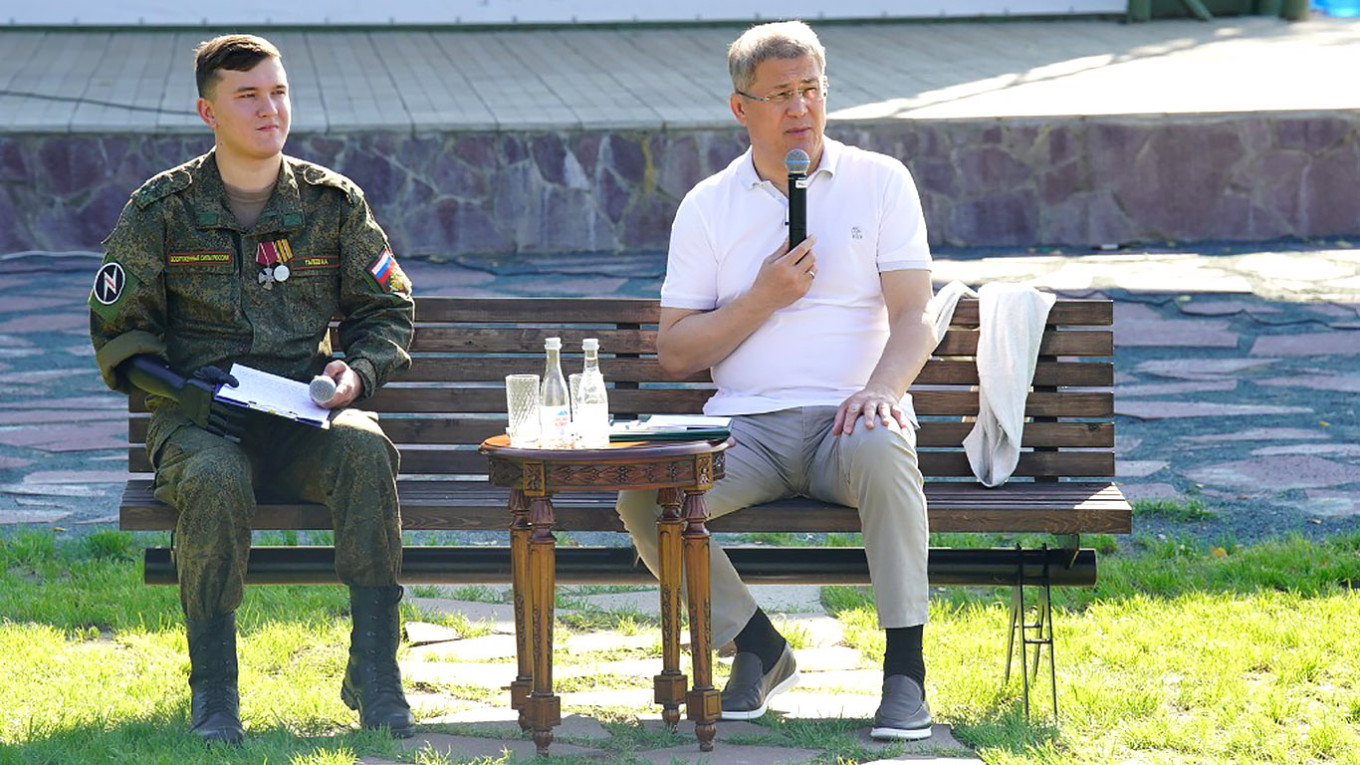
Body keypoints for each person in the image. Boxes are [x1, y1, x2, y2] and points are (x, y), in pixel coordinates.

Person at [88, 34, 416, 744]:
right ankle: (214, 691)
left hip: (303, 416)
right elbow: (118, 332)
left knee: (366, 450)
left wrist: (351, 373)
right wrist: (182, 392)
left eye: (278, 92)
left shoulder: (332, 204)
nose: (270, 109)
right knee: (213, 479)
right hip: (200, 421)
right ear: (209, 112)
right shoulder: (162, 210)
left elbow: (388, 309)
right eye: (248, 96)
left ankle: (377, 672)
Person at [616, 20, 936, 740]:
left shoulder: (880, 182)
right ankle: (757, 643)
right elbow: (674, 351)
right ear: (741, 109)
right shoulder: (708, 205)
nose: (800, 108)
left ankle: (906, 672)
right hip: (745, 429)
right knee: (643, 493)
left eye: (811, 90)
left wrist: (883, 389)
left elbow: (916, 316)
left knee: (888, 448)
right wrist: (761, 298)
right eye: (781, 94)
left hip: (847, 422)